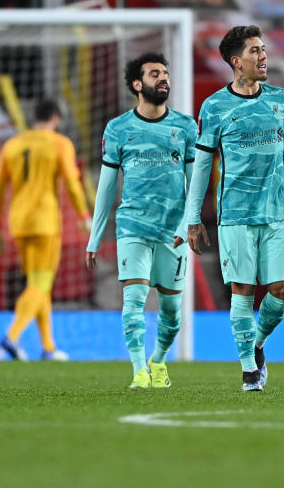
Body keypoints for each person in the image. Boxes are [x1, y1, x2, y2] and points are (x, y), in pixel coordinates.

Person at [184, 25, 284, 392]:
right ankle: (248, 372)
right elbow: (201, 164)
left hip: (277, 215)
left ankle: (256, 344)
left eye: (263, 49)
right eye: (255, 51)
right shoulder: (214, 107)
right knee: (242, 291)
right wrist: (193, 216)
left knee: (281, 290)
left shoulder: (281, 100)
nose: (263, 56)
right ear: (236, 62)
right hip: (235, 216)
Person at [86, 53, 196, 389]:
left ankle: (158, 360)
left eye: (165, 73)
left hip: (172, 232)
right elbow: (106, 188)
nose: (163, 78)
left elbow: (196, 184)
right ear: (137, 84)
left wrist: (186, 226)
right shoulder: (118, 129)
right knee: (133, 301)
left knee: (172, 311)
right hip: (132, 226)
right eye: (154, 74)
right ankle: (139, 371)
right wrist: (95, 237)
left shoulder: (185, 127)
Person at [0, 98, 89, 361]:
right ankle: (11, 338)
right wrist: (83, 214)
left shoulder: (13, 144)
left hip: (18, 222)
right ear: (56, 117)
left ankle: (48, 347)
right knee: (41, 283)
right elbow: (72, 180)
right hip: (44, 223)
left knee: (37, 283)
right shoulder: (59, 144)